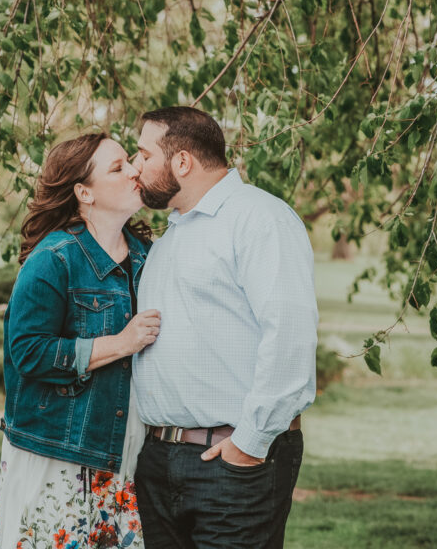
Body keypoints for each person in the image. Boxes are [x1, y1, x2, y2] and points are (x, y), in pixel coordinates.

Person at [131, 106, 318, 549]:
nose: (135, 166)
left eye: (143, 154)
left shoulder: (260, 218)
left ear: (182, 161)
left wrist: (249, 444)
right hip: (159, 462)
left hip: (233, 461)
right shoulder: (171, 237)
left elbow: (290, 335)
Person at [0, 132, 160, 549]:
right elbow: (29, 351)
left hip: (125, 454)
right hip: (59, 454)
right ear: (85, 192)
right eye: (118, 168)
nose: (135, 171)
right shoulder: (54, 258)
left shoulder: (149, 256)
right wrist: (120, 343)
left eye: (130, 161)